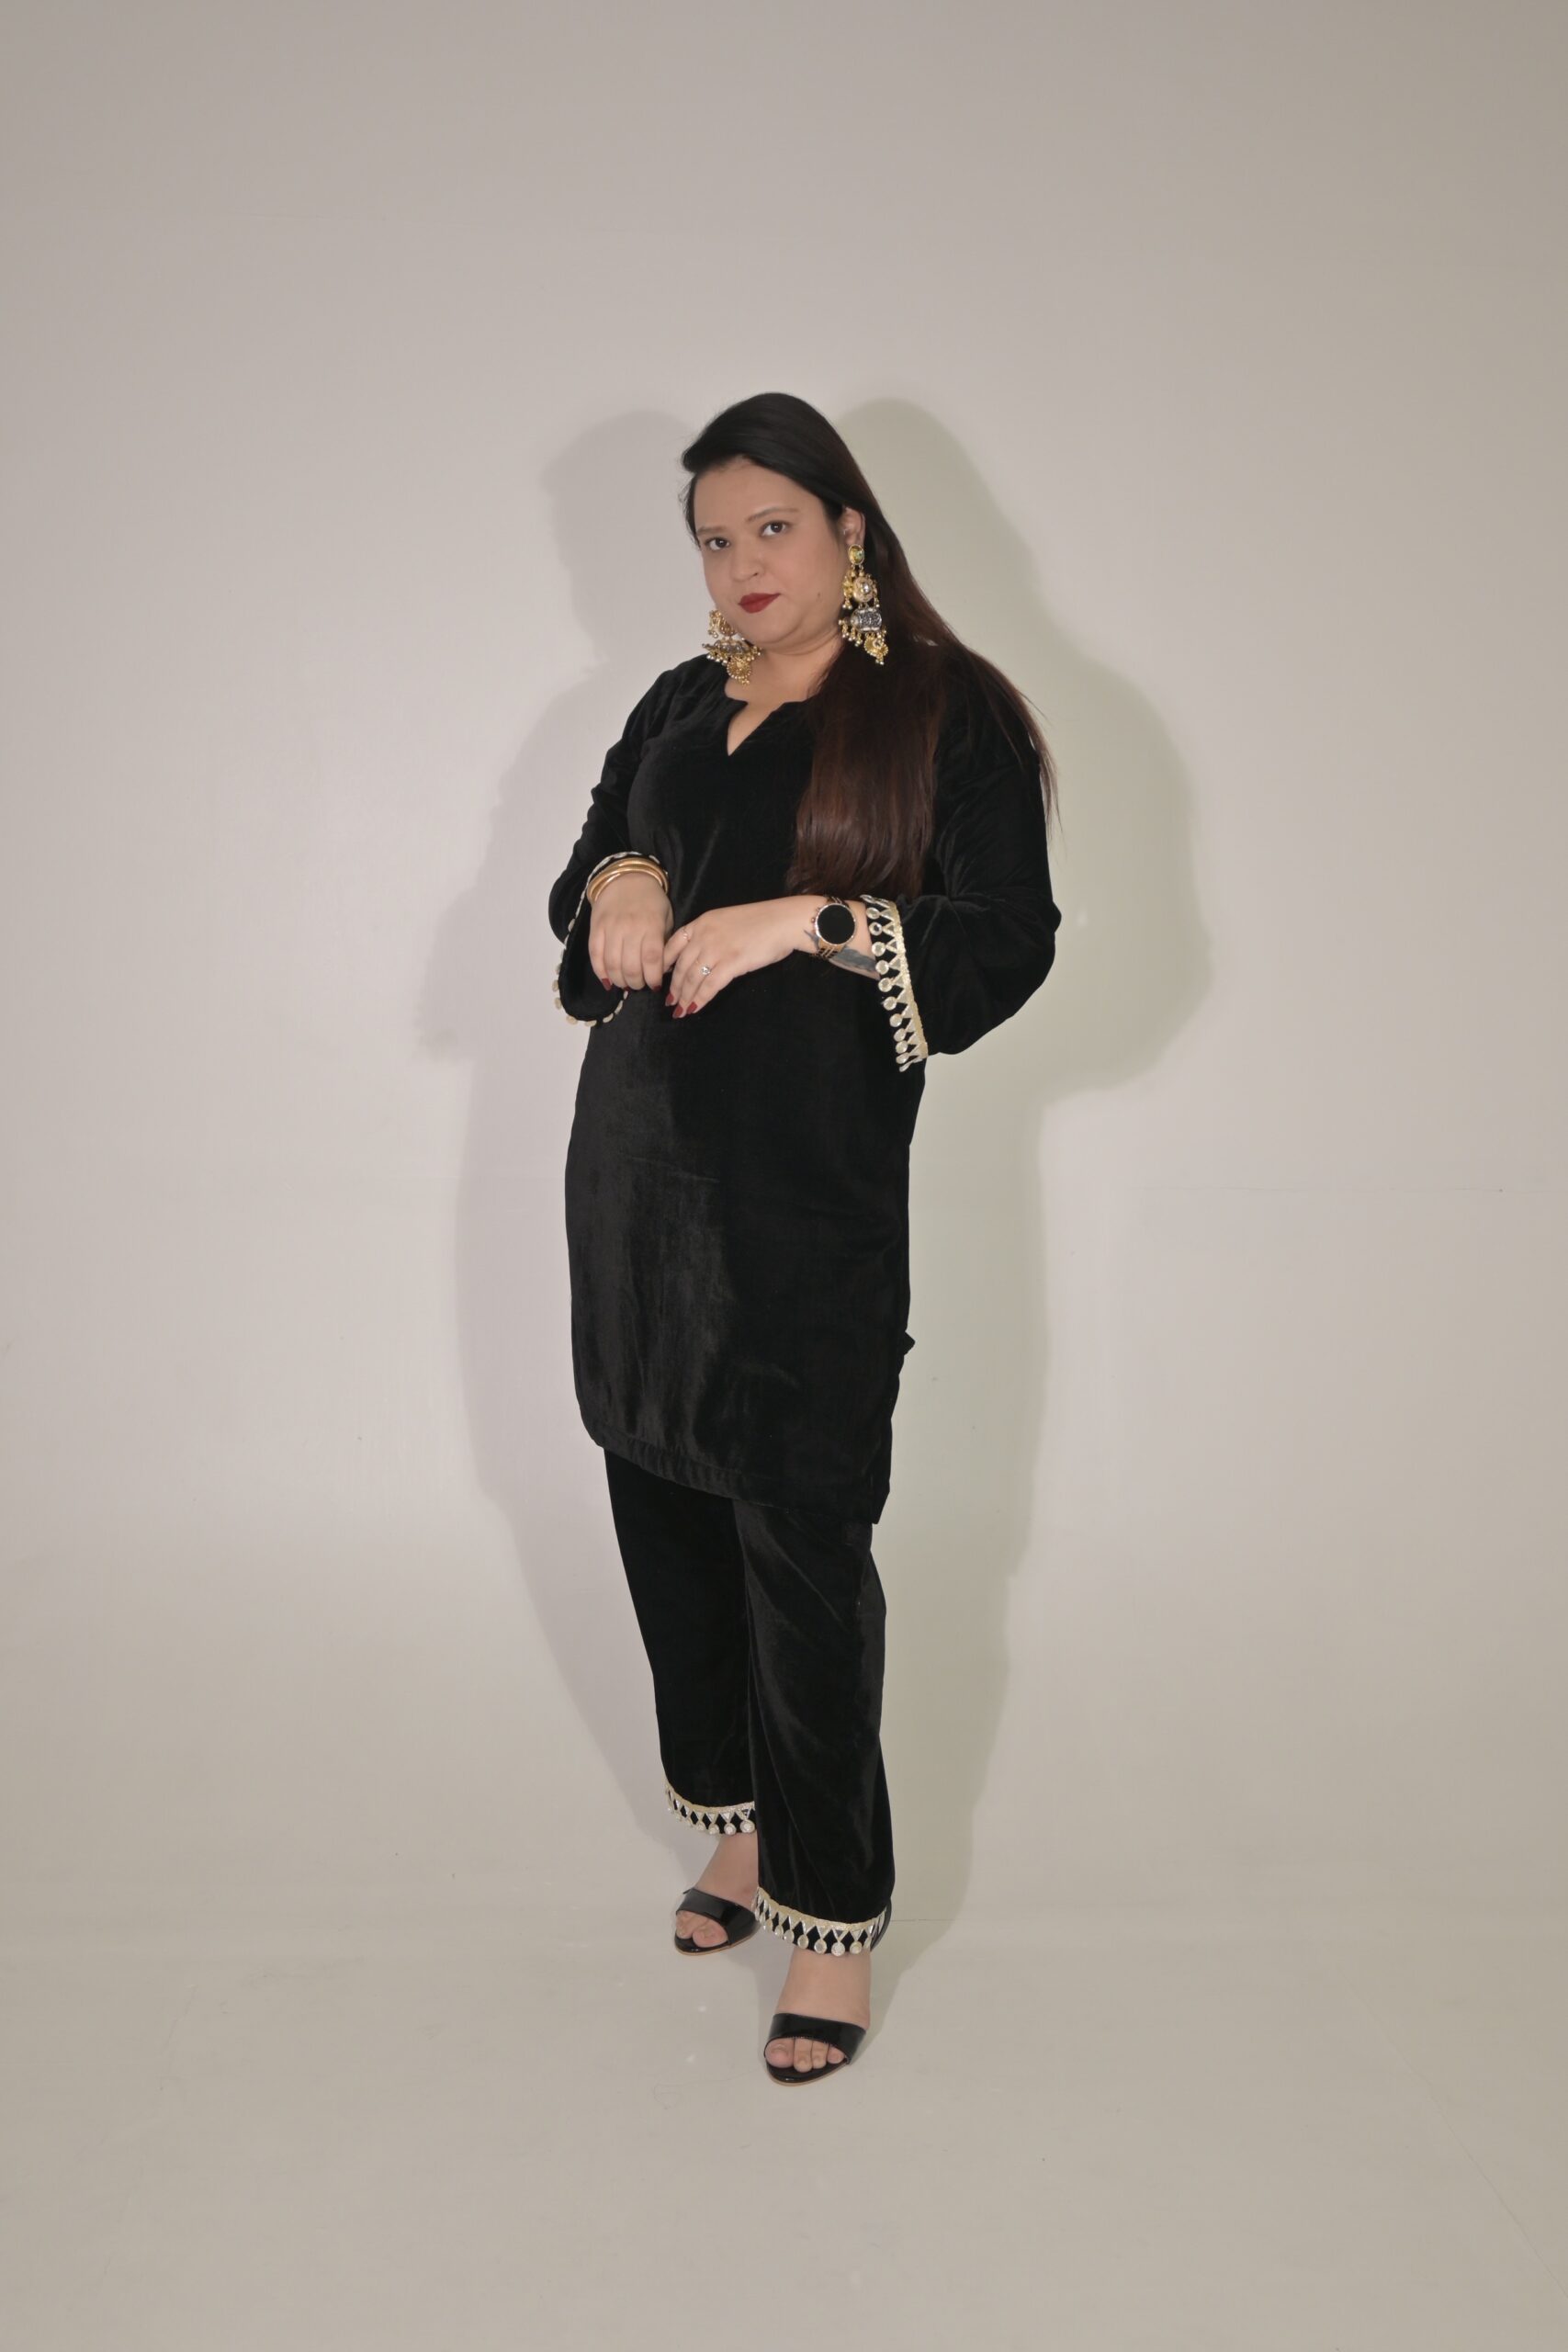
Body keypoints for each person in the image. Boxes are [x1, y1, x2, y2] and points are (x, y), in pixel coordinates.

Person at [547, 391, 1062, 2084]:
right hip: (634, 1187)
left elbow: (1007, 936)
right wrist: (625, 877)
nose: (740, 564)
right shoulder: (677, 704)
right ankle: (744, 1826)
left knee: (802, 1549)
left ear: (849, 529)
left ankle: (834, 1917)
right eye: (713, 537)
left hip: (803, 1205)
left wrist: (812, 918)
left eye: (772, 525)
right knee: (664, 1514)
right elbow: (590, 868)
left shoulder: (944, 713)